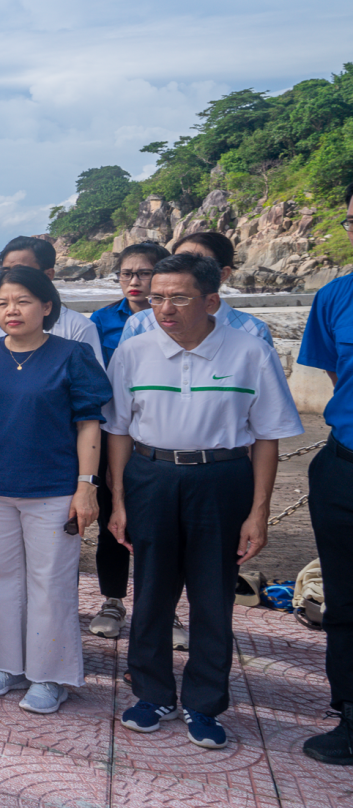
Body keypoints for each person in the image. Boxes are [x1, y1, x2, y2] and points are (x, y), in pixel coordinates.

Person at [104, 253, 302, 750]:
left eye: (178, 298)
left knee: (213, 597)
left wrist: (258, 512)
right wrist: (120, 502)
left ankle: (204, 703)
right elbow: (119, 432)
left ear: (211, 300)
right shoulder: (134, 350)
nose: (163, 308)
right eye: (156, 298)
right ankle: (152, 694)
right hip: (151, 477)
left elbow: (267, 437)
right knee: (151, 592)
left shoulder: (249, 351)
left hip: (221, 479)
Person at [0, 265, 112, 714]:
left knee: (50, 583)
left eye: (22, 301)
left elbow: (89, 424)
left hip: (54, 489)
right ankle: (7, 665)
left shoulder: (72, 354)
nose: (11, 310)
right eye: (2, 303)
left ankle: (50, 675)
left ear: (47, 306)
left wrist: (86, 487)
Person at [294, 182, 353, 766]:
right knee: (344, 593)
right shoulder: (336, 296)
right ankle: (350, 716)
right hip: (344, 467)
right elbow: (338, 376)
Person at [85, 241, 169, 640]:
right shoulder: (100, 322)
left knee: (161, 528)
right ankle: (113, 600)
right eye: (126, 274)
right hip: (109, 436)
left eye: (144, 273)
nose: (134, 281)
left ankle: (164, 609)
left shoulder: (176, 322)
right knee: (111, 523)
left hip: (159, 439)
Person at [115, 231, 273, 349]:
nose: (184, 267)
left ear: (223, 273)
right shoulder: (139, 323)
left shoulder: (252, 330)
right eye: (178, 260)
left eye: (197, 261)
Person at [0, 236, 104, 364]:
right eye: (5, 271)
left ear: (48, 275)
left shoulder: (78, 327)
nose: (11, 277)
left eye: (22, 271)